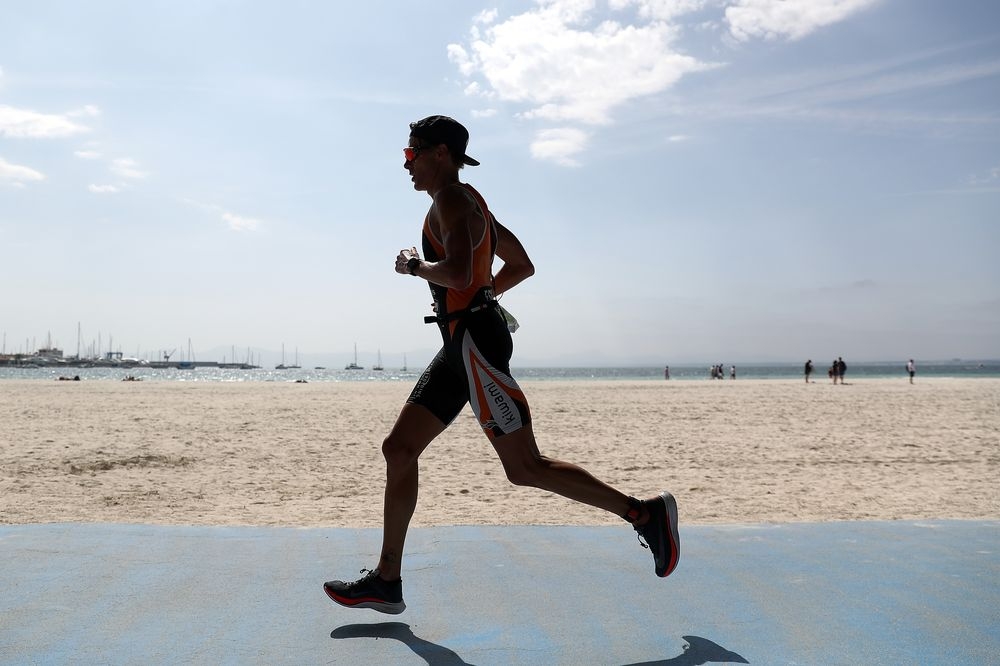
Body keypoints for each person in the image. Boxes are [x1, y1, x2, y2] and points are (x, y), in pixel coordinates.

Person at [323, 116, 679, 614]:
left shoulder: (451, 201)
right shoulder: (474, 206)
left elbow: (463, 271)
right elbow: (519, 265)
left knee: (524, 467)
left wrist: (415, 267)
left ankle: (645, 515)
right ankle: (387, 580)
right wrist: (482, 299)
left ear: (440, 153)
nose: (406, 164)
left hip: (473, 346)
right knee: (399, 448)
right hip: (462, 342)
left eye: (412, 153)